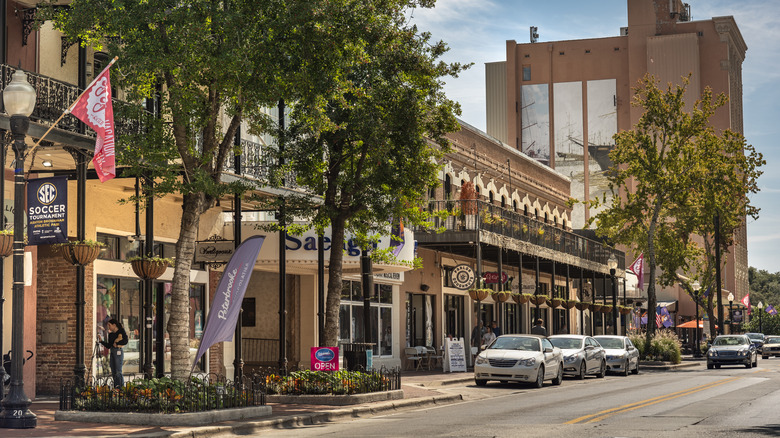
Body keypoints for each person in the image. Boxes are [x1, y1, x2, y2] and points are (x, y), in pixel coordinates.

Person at [100, 318, 128, 388]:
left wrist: (117, 343)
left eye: (109, 325)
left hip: (118, 351)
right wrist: (101, 341)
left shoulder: (121, 331)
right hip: (112, 352)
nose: (108, 327)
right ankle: (116, 387)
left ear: (114, 325)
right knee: (113, 371)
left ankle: (120, 388)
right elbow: (109, 345)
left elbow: (125, 341)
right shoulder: (111, 334)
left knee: (118, 370)